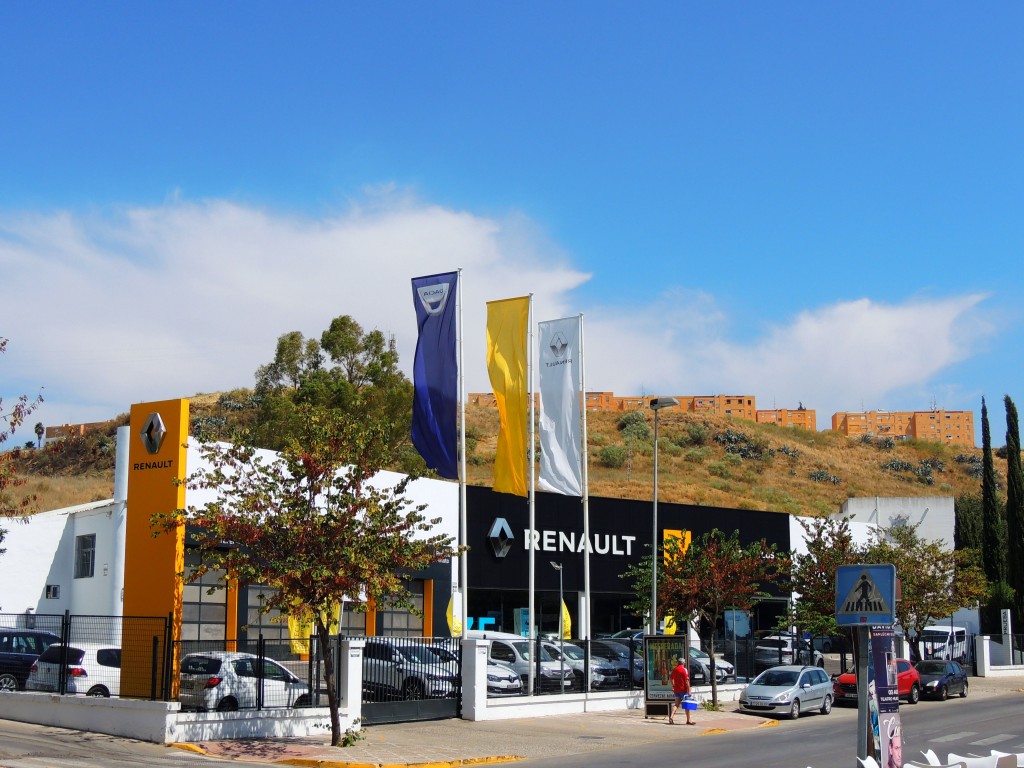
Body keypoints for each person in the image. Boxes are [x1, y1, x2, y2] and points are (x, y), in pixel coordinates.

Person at [668, 656, 695, 725]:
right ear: (683, 663)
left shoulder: (675, 669)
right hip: (684, 690)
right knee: (687, 705)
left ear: (678, 663)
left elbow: (671, 678)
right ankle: (688, 720)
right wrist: (689, 690)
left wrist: (673, 685)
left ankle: (671, 717)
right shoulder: (684, 670)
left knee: (676, 704)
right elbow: (686, 681)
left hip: (677, 690)